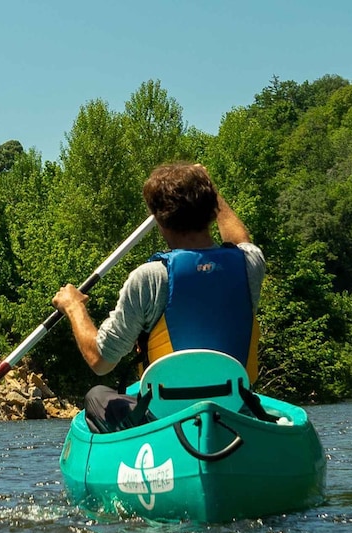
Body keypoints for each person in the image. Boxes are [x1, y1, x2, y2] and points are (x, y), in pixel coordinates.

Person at [51, 163, 266, 433]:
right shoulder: (250, 264)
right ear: (213, 212)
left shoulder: (149, 278)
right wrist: (210, 188)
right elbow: (240, 241)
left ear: (159, 222)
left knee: (97, 395)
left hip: (166, 419)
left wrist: (74, 307)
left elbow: (100, 360)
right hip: (236, 409)